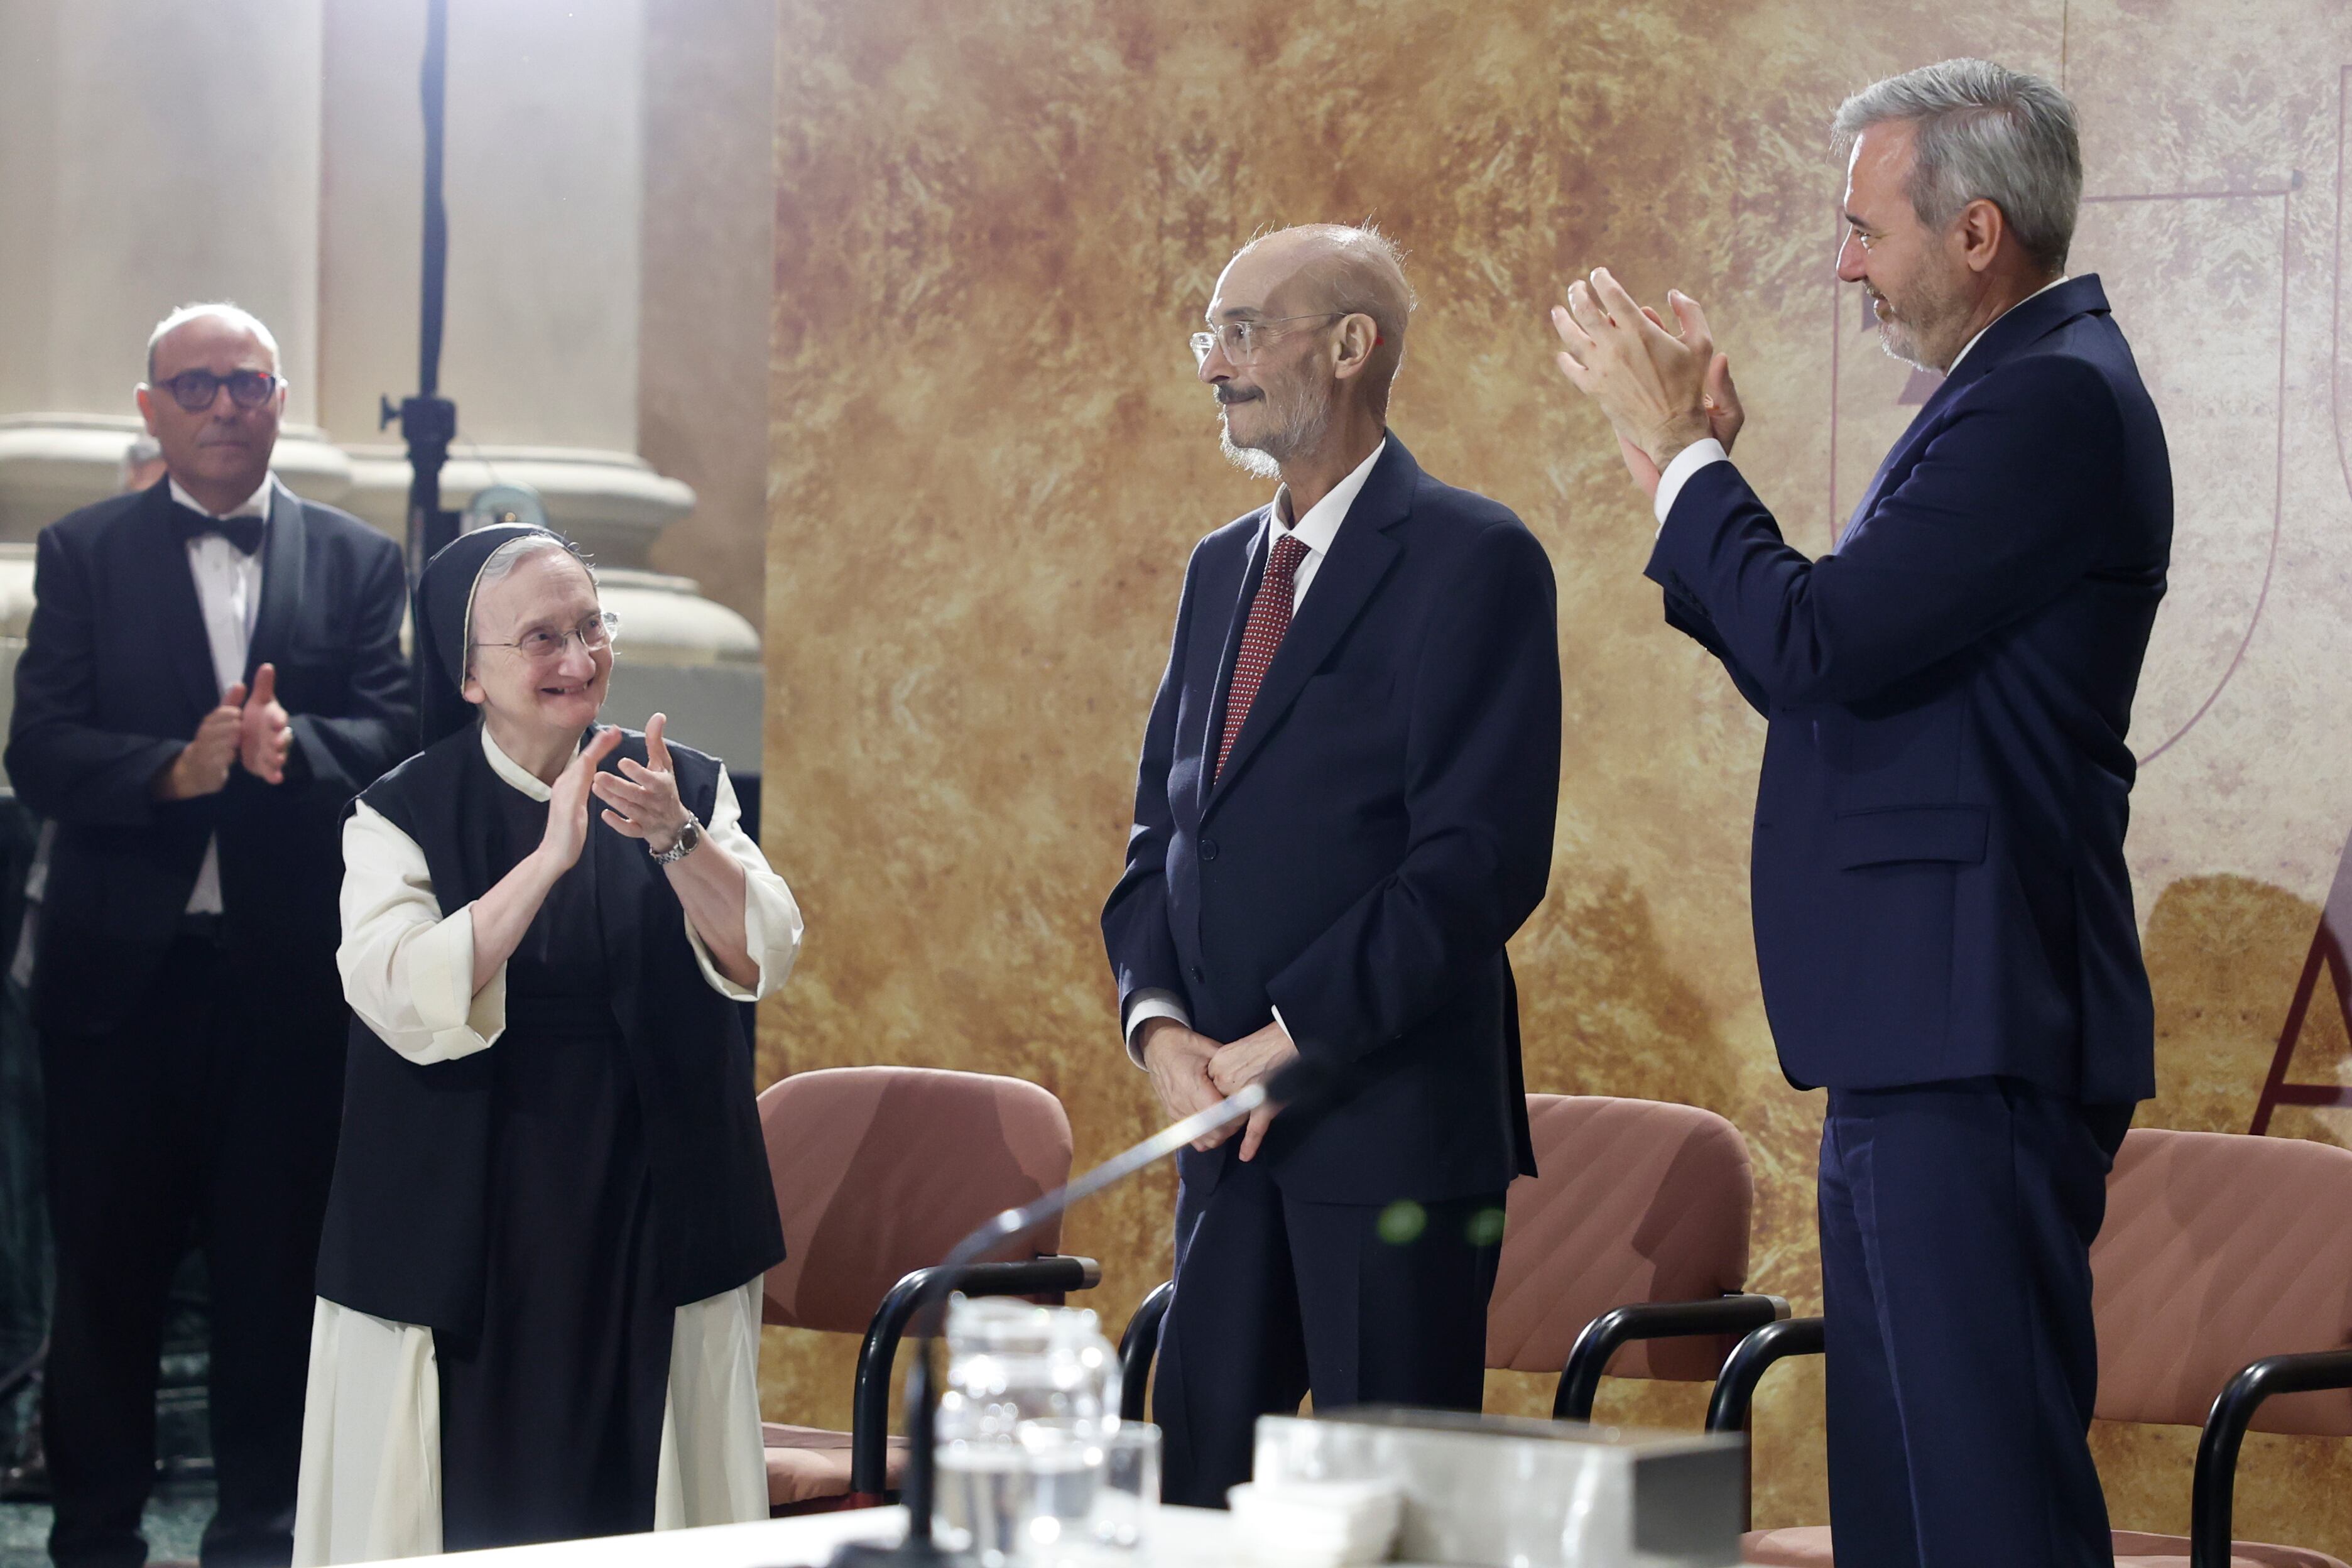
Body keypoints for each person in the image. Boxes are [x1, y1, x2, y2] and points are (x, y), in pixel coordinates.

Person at [1550, 59, 2170, 1568]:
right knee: (1906, 1512)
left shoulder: (2048, 402)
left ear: (1974, 233)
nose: (1843, 265)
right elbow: (1843, 675)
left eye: (1863, 229)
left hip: (1978, 1027)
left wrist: (1693, 465)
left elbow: (1818, 643)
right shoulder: (2013, 395)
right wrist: (1681, 477)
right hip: (1925, 1026)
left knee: (1982, 1513)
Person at [1102, 224, 1562, 1508]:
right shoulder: (1218, 572)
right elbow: (1163, 838)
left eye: (1246, 329)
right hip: (1224, 1142)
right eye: (1213, 332)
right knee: (1197, 1504)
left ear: (1352, 346)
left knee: (1388, 1525)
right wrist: (1162, 1028)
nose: (1216, 362)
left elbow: (1480, 862)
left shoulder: (1475, 560)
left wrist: (1292, 1036)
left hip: (1392, 1137)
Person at [291, 525, 801, 1562]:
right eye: (541, 639)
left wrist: (674, 838)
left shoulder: (682, 788)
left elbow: (766, 950)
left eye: (591, 627)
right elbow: (395, 992)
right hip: (467, 1230)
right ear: (469, 675)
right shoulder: (396, 816)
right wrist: (548, 859)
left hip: (644, 1219)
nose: (578, 660)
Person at [4, 302, 415, 1568]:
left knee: (273, 1280)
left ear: (281, 398)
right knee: (107, 1286)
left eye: (246, 381)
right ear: (151, 412)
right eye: (197, 385)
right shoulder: (80, 553)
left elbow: (401, 737)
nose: (224, 405)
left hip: (287, 985)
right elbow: (39, 751)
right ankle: (95, 1537)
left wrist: (307, 753)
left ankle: (262, 1535)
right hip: (116, 984)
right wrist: (172, 775)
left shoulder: (357, 559)